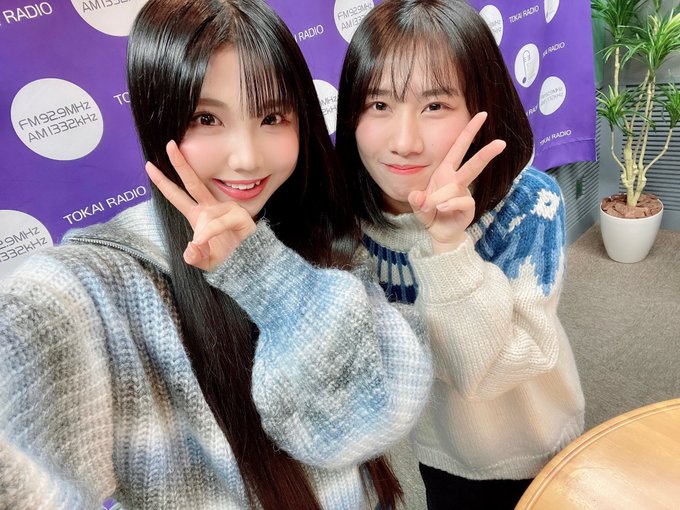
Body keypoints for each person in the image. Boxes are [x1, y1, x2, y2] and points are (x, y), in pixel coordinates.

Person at [0, 0, 433, 508]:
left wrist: (264, 275)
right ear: (158, 120)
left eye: (272, 117)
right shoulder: (100, 284)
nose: (247, 157)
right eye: (206, 118)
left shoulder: (318, 235)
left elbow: (381, 415)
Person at [335, 0, 585, 508]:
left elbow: (488, 370)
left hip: (540, 443)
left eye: (434, 106)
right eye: (379, 105)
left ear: (479, 107)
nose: (404, 142)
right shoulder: (350, 222)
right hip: (444, 453)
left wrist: (447, 246)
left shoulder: (529, 205)